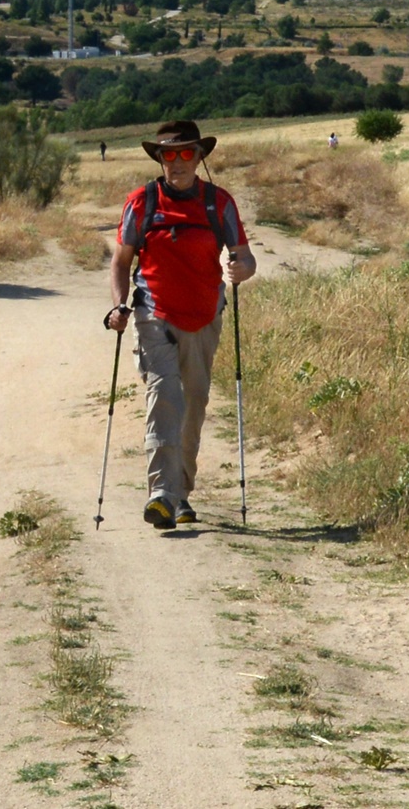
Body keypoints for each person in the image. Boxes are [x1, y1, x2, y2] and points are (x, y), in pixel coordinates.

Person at [105, 119, 256, 530]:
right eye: (168, 154)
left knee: (194, 404)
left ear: (199, 156)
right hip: (153, 313)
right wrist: (119, 307)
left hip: (204, 316)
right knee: (165, 393)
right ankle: (161, 494)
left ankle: (180, 492)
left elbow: (244, 256)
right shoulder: (142, 202)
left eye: (186, 152)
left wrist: (242, 268)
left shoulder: (218, 203)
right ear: (160, 158)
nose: (177, 161)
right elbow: (120, 263)